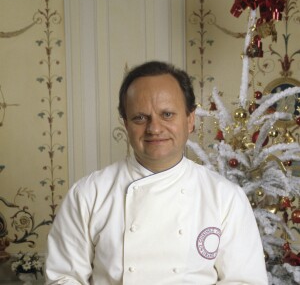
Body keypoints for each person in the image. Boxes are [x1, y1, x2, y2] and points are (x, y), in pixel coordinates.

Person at [45, 61, 268, 284]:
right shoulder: (88, 194)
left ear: (190, 120)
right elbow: (63, 277)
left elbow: (245, 281)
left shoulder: (225, 198)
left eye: (167, 114)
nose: (154, 128)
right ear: (126, 124)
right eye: (140, 118)